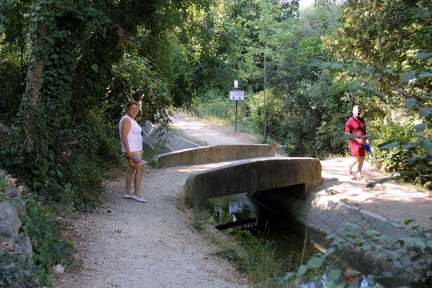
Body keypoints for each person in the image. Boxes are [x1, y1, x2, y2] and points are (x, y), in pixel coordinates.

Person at [119, 101, 147, 202]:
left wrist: (139, 148)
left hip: (136, 150)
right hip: (131, 151)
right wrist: (128, 151)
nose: (135, 110)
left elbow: (134, 136)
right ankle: (137, 193)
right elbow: (124, 136)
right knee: (140, 169)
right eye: (132, 108)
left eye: (136, 108)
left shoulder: (132, 119)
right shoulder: (126, 119)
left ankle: (128, 192)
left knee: (131, 169)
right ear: (128, 109)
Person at [345, 105, 369, 180]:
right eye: (356, 111)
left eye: (359, 111)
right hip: (354, 142)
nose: (357, 112)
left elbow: (364, 131)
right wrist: (357, 140)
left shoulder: (362, 120)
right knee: (357, 158)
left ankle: (359, 174)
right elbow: (347, 133)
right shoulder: (350, 121)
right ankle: (349, 169)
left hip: (362, 142)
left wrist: (367, 138)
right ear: (353, 111)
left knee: (362, 158)